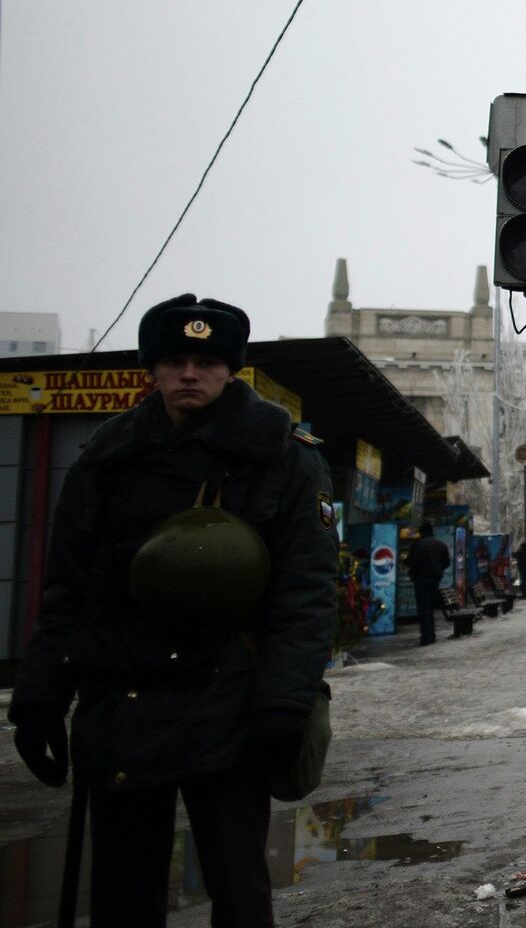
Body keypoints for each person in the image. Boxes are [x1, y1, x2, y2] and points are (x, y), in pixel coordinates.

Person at [9, 294, 337, 926]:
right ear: (152, 368)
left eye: (208, 362)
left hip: (230, 702)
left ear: (231, 369)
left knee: (238, 890)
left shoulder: (283, 454)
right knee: (123, 895)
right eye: (176, 360)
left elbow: (305, 593)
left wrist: (283, 704)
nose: (191, 374)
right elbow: (70, 589)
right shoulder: (110, 456)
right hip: (123, 701)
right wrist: (40, 695)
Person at [406, 522, 451, 646]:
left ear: (421, 532)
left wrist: (412, 572)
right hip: (435, 579)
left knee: (423, 608)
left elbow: (411, 562)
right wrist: (438, 569)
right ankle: (431, 634)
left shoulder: (417, 545)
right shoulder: (440, 545)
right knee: (430, 608)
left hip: (420, 580)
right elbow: (447, 562)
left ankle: (426, 636)